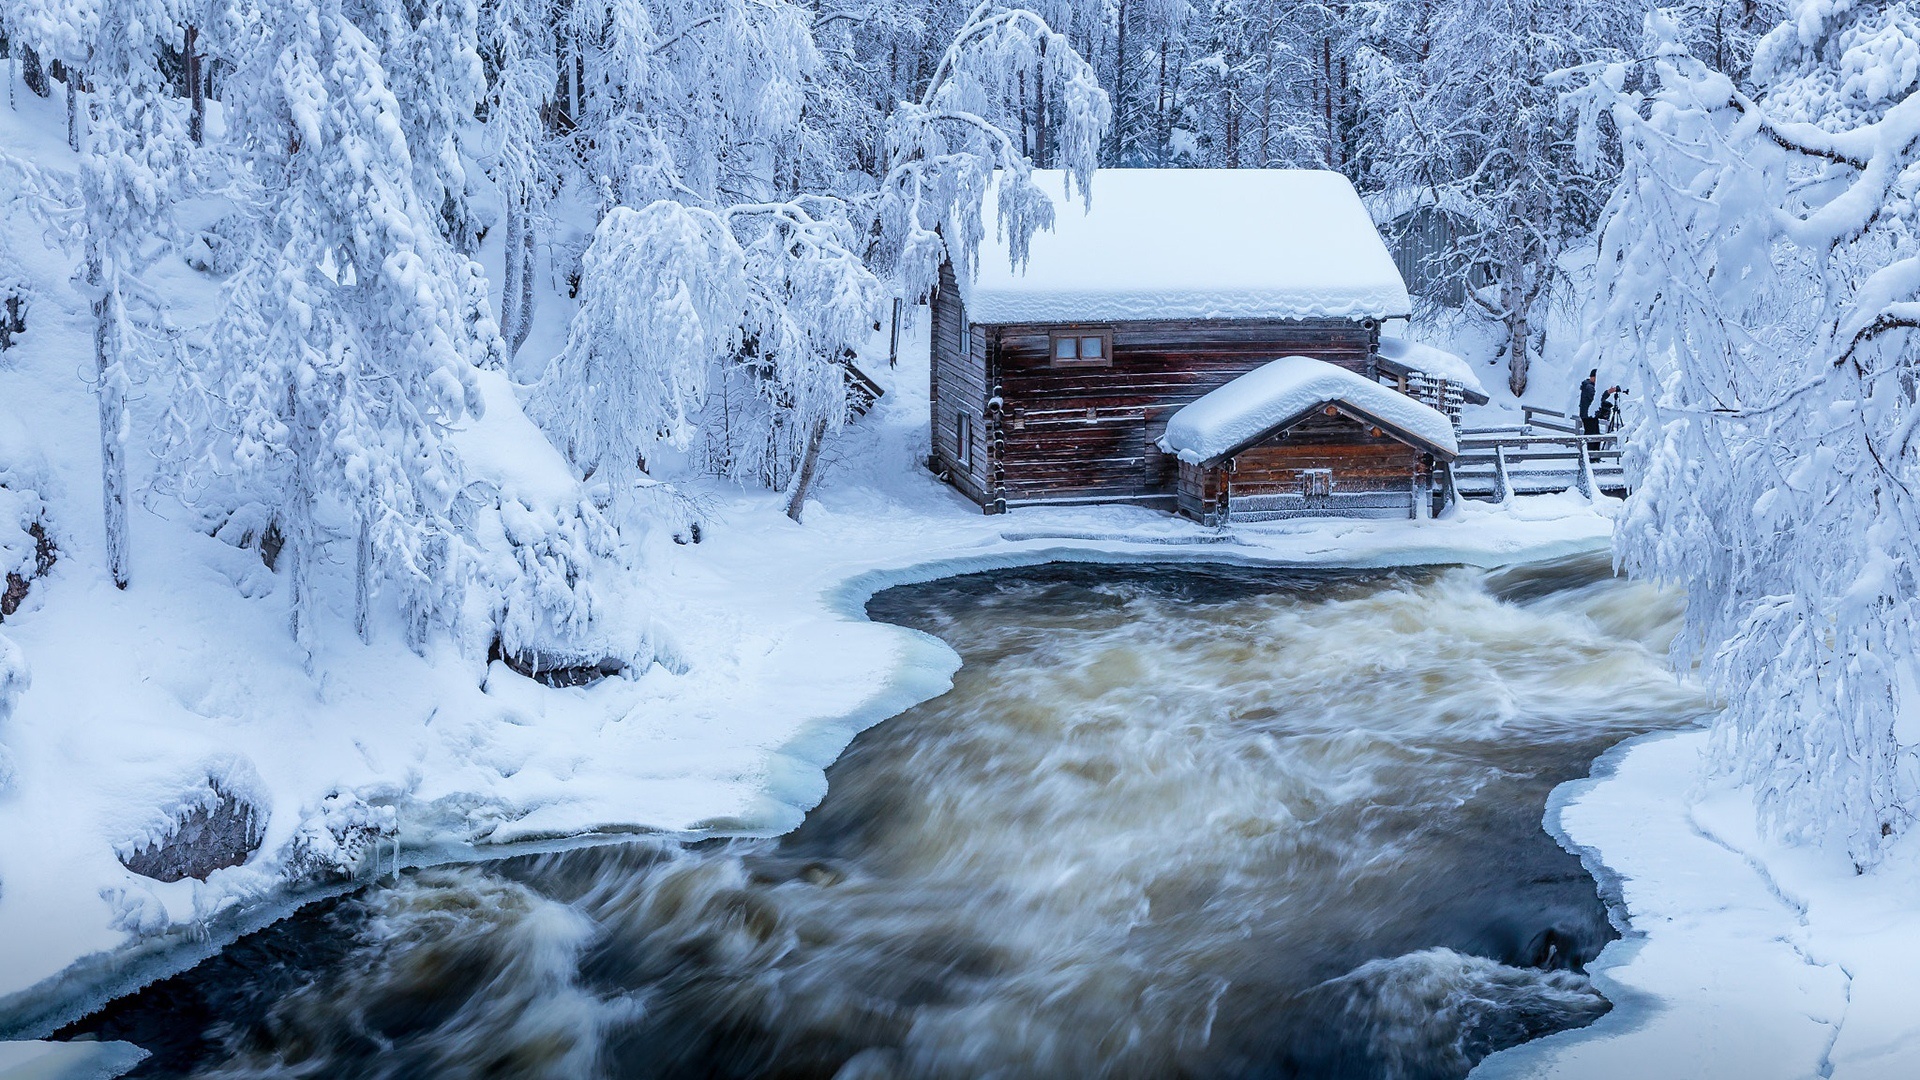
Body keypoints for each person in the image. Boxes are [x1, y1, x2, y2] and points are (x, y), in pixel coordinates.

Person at [1578, 370, 1600, 437]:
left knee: (1591, 434)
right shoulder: (1589, 387)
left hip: (1586, 414)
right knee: (1592, 435)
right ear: (1593, 377)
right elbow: (1594, 398)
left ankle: (1592, 447)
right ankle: (1593, 447)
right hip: (1589, 415)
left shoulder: (1586, 385)